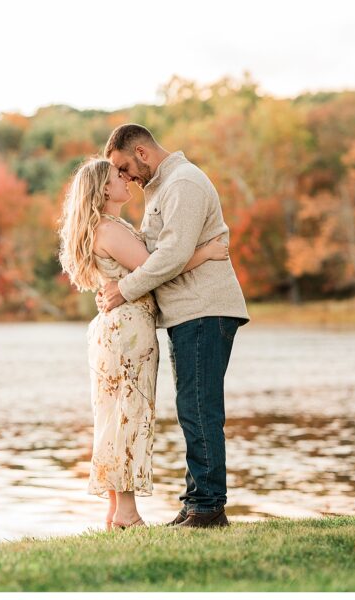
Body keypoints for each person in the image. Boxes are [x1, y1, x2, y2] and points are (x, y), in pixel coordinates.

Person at [58, 157, 229, 530]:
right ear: (104, 188)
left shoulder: (107, 226)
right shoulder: (110, 230)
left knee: (116, 415)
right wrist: (206, 254)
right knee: (130, 416)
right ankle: (127, 513)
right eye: (118, 176)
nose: (126, 180)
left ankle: (117, 512)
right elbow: (156, 269)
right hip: (128, 331)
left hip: (118, 330)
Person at [97, 123, 249, 529]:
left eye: (125, 167)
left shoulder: (183, 183)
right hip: (186, 312)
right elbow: (154, 251)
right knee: (192, 407)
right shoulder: (160, 189)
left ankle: (208, 507)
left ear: (142, 153)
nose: (125, 177)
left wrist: (123, 290)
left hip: (204, 308)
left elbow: (169, 256)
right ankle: (196, 501)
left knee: (200, 407)